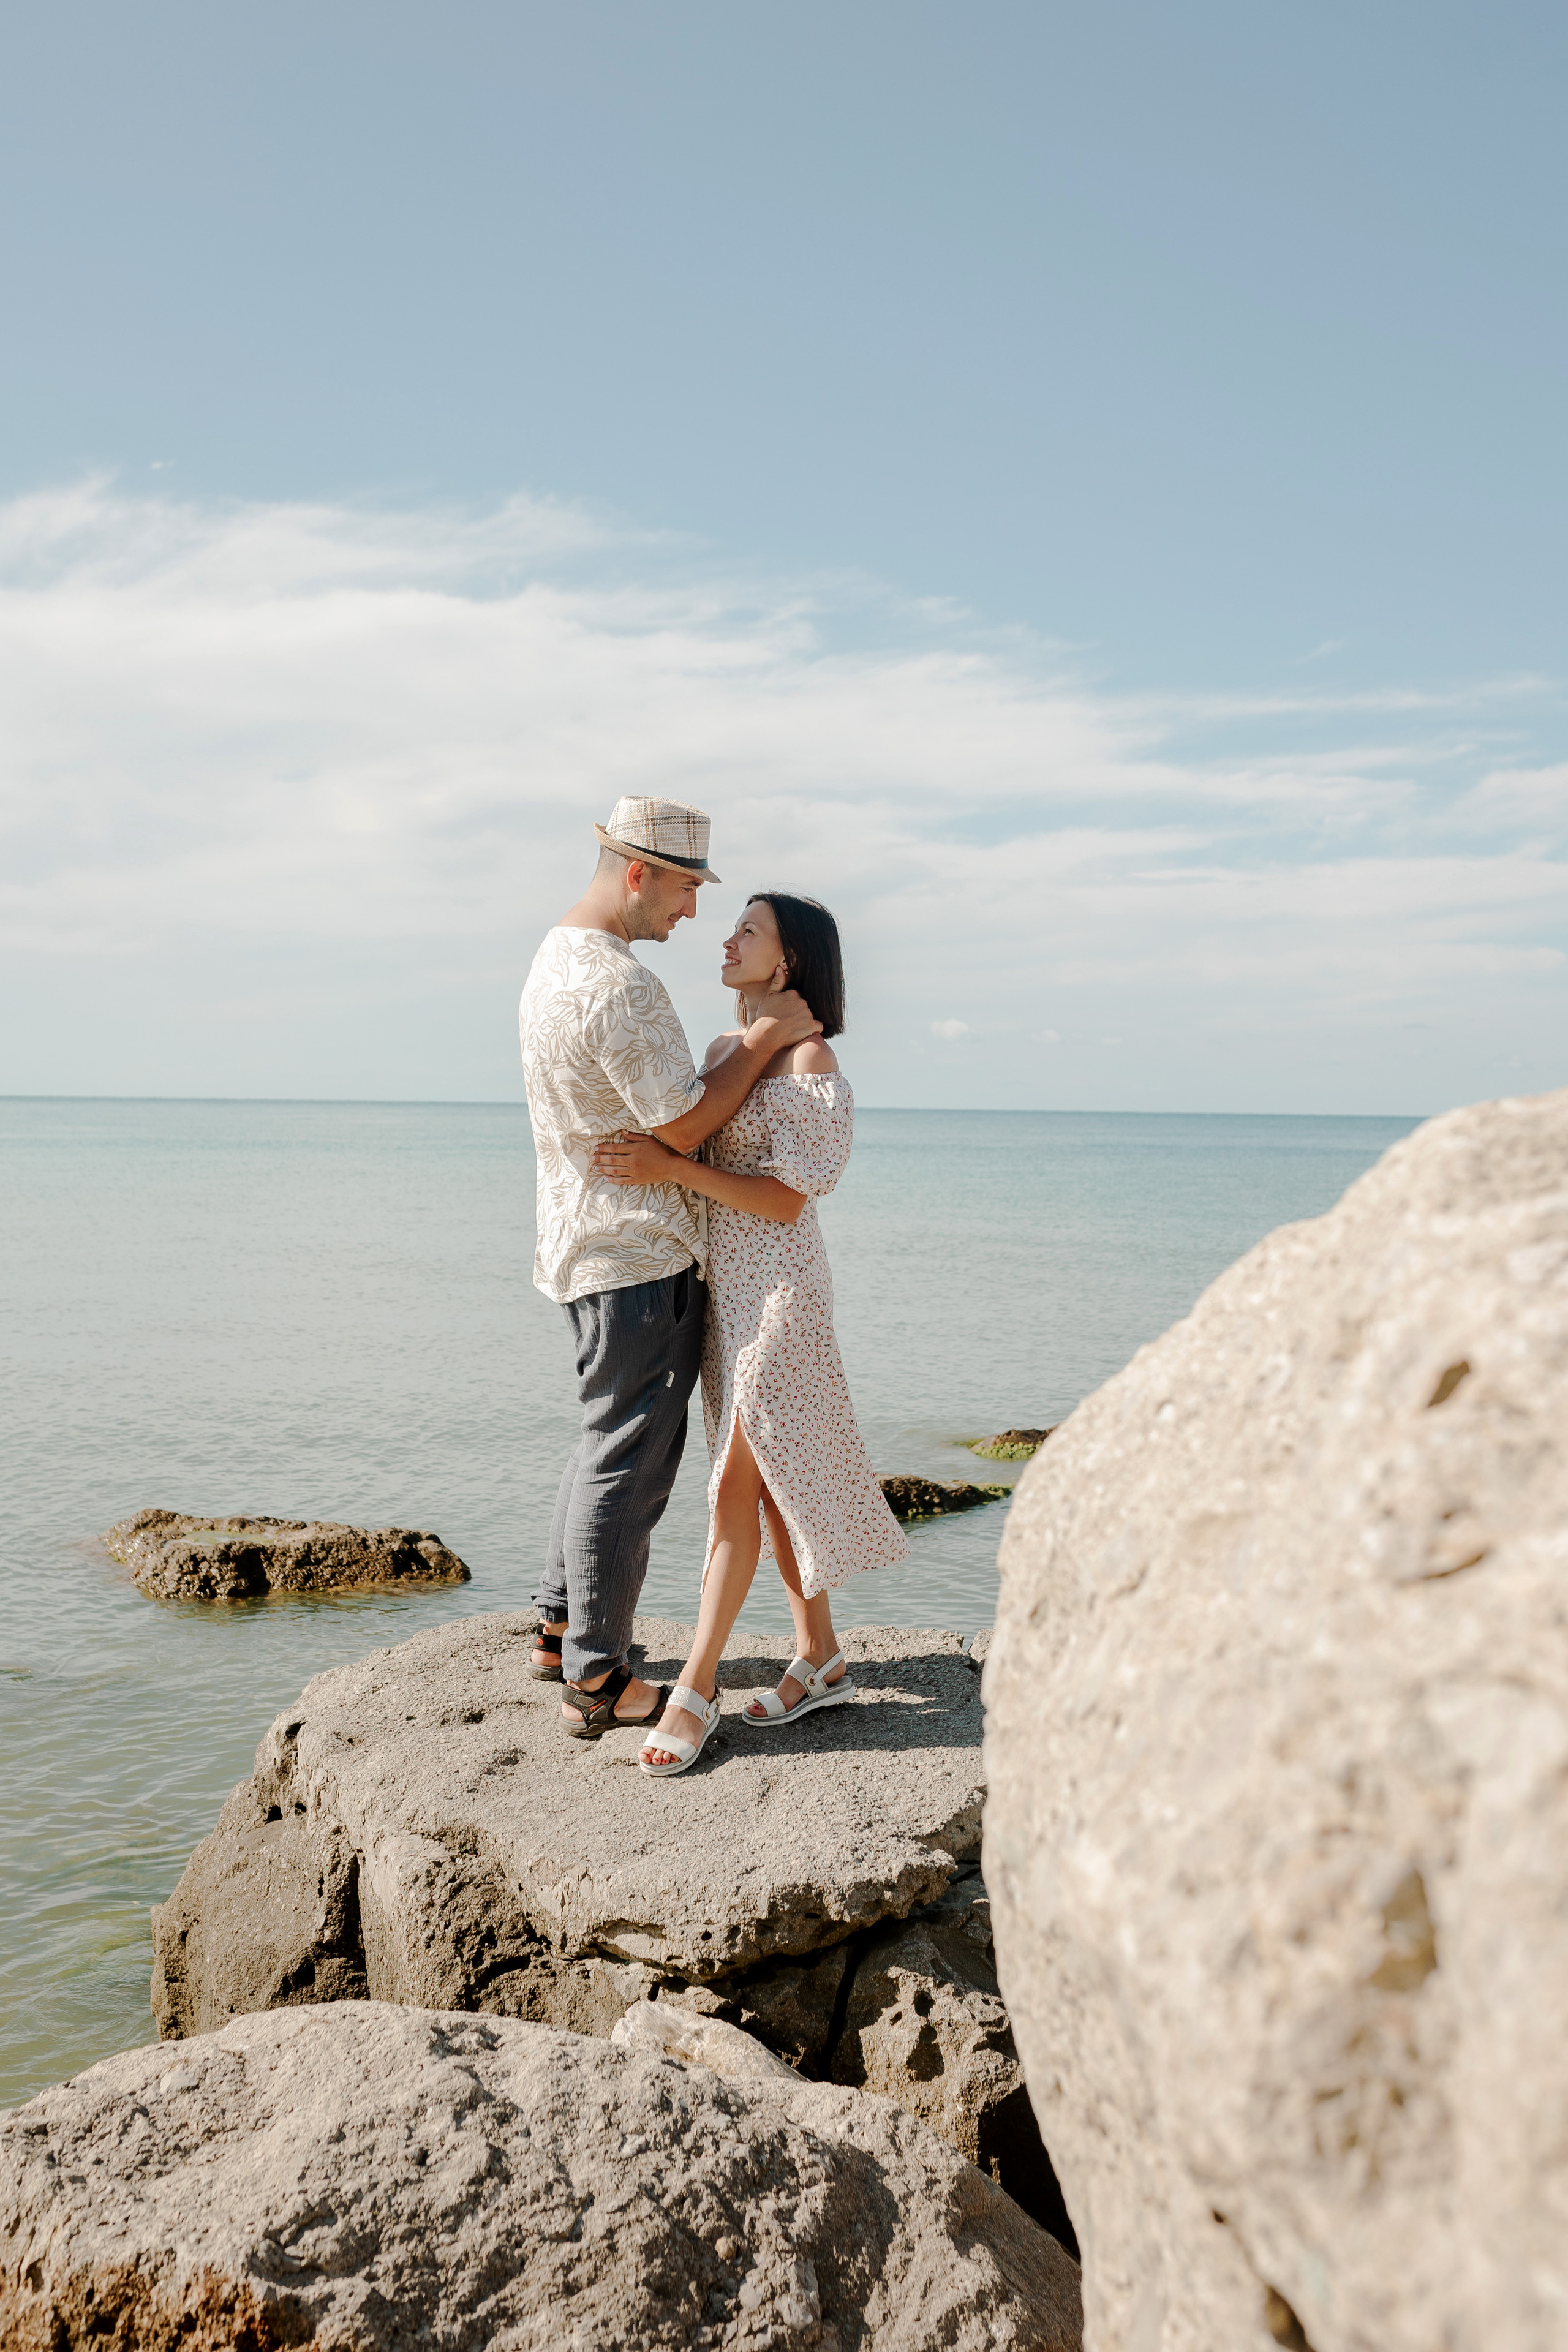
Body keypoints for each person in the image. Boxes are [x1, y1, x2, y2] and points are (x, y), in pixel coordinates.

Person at [519, 799, 822, 1741]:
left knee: (604, 1434)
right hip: (641, 1254)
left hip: (583, 1240)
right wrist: (769, 1041)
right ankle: (598, 1678)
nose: (694, 915)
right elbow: (684, 1125)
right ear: (640, 873)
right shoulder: (621, 985)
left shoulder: (551, 959)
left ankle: (559, 1623)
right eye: (689, 889)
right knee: (632, 1460)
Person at [593, 889, 909, 1776]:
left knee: (735, 1481)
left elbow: (784, 1198)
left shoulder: (811, 1062)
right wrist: (661, 1163)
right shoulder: (730, 1049)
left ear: (791, 961)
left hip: (783, 1299)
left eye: (748, 932)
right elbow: (688, 1139)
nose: (725, 940)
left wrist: (670, 1166)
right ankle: (823, 1657)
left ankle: (695, 1691)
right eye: (731, 927)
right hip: (725, 1295)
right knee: (767, 1483)